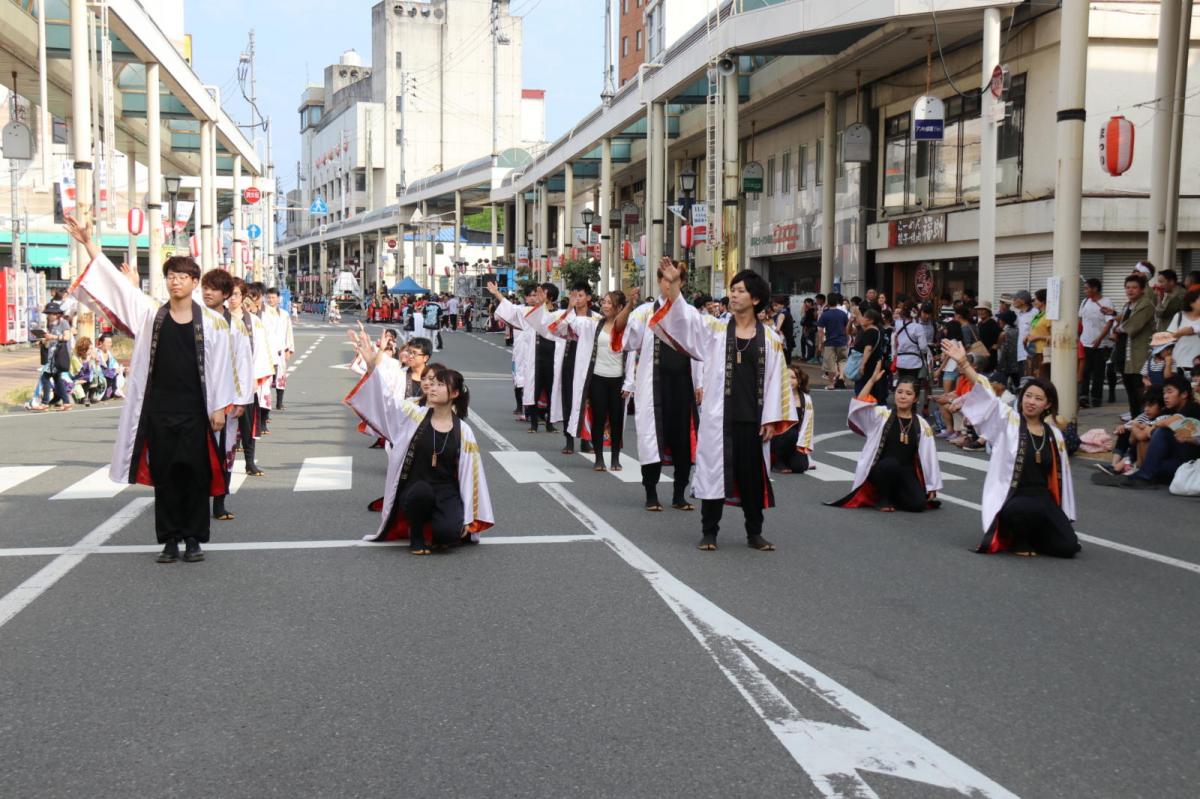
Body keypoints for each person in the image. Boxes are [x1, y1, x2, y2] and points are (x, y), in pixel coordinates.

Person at [64, 214, 236, 564]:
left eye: (183, 277)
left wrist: (220, 407)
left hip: (195, 410)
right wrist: (88, 243)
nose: (176, 282)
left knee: (195, 473)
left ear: (193, 282)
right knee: (167, 474)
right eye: (171, 276)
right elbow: (118, 287)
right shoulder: (151, 314)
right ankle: (170, 539)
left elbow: (221, 369)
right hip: (159, 409)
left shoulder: (214, 323)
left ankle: (194, 539)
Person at [641, 259, 796, 551]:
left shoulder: (772, 340)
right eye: (733, 290)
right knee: (713, 474)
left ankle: (754, 533)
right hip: (718, 418)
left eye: (740, 290)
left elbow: (778, 383)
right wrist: (674, 285)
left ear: (756, 298)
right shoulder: (715, 329)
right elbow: (684, 318)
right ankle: (709, 531)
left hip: (753, 421)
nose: (734, 295)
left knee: (752, 479)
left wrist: (771, 420)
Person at [345, 330, 493, 554]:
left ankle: (439, 522)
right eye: (430, 383)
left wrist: (469, 519)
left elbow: (470, 477)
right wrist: (372, 366)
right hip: (415, 486)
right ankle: (416, 533)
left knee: (448, 536)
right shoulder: (411, 413)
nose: (431, 387)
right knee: (421, 492)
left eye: (438, 384)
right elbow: (385, 402)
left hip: (445, 489)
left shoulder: (463, 431)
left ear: (453, 393)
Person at [941, 338, 1080, 558]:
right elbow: (988, 396)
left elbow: (1061, 479)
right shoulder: (1009, 421)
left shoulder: (1054, 435)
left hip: (1043, 498)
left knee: (1068, 547)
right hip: (1014, 496)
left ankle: (1036, 534)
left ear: (1048, 404)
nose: (1031, 402)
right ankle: (1018, 537)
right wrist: (964, 364)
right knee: (1022, 510)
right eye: (1028, 396)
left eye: (1038, 398)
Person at [611, 279, 703, 513]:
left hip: (683, 387)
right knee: (651, 442)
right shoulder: (644, 312)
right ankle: (651, 493)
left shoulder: (691, 313)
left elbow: (700, 349)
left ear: (681, 282)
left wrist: (700, 383)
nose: (669, 285)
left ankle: (679, 495)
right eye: (665, 280)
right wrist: (629, 306)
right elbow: (625, 338)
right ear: (660, 283)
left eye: (674, 280)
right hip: (653, 387)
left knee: (684, 443)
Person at [828, 364, 942, 513]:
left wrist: (932, 486)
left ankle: (895, 494)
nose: (902, 396)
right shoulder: (881, 415)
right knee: (890, 464)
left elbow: (929, 457)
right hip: (881, 469)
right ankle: (883, 497)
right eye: (899, 392)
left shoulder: (921, 424)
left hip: (905, 472)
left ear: (915, 399)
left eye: (908, 393)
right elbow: (859, 405)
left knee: (917, 505)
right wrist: (871, 381)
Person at [548, 288, 629, 471]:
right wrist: (570, 306)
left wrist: (629, 382)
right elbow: (570, 323)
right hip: (598, 378)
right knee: (598, 418)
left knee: (616, 420)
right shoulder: (593, 324)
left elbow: (631, 356)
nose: (606, 306)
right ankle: (599, 458)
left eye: (610, 303)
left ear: (620, 307)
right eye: (605, 302)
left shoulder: (627, 328)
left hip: (618, 380)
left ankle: (615, 458)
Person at [1094, 374, 1200, 489]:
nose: (1165, 396)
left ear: (1184, 394)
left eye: (1170, 392)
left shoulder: (1193, 408)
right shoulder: (1167, 412)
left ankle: (1144, 476)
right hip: (1171, 462)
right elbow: (1138, 437)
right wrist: (1143, 429)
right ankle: (1138, 473)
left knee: (1162, 432)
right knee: (1152, 449)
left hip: (1188, 464)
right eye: (1164, 393)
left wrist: (1153, 426)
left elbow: (1170, 422)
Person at [491, 283, 564, 433]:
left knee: (552, 390)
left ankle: (550, 423)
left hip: (553, 358)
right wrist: (497, 294)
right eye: (535, 293)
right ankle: (534, 423)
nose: (536, 296)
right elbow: (510, 309)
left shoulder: (559, 314)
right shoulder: (529, 312)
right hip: (535, 357)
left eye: (540, 293)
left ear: (549, 297)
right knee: (533, 389)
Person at [546, 281, 602, 455]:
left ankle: (586, 439)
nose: (577, 299)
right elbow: (555, 330)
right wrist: (569, 310)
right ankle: (569, 439)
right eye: (574, 295)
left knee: (588, 400)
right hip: (570, 359)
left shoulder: (597, 318)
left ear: (588, 298)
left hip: (589, 363)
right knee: (568, 398)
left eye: (580, 295)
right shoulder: (567, 315)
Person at [1118, 273, 1155, 419]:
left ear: (1142, 289)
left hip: (1139, 355)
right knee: (1130, 391)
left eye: (1134, 287)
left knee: (1139, 390)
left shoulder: (1145, 304)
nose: (1130, 290)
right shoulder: (1128, 305)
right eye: (1127, 287)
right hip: (1125, 353)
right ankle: (1134, 420)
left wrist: (1118, 328)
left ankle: (1142, 419)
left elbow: (1132, 327)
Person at [771, 360, 815, 474]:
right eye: (786, 377)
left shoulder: (806, 398)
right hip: (777, 436)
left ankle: (788, 459)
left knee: (800, 467)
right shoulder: (777, 396)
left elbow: (808, 424)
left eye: (793, 377)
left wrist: (803, 446)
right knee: (791, 433)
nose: (789, 380)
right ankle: (777, 461)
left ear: (799, 380)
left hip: (796, 439)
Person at [1078, 279, 1116, 408]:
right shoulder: (1084, 302)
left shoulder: (1106, 302)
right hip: (1085, 342)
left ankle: (1096, 398)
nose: (1085, 291)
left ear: (1095, 289)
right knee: (1085, 370)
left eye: (1087, 288)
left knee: (1098, 372)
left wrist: (1099, 338)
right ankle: (1083, 396)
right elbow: (1080, 320)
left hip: (1101, 344)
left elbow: (1109, 322)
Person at [261, 287, 295, 412]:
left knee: (281, 377)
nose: (270, 300)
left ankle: (279, 403)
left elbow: (288, 332)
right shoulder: (262, 313)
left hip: (281, 349)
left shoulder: (284, 314)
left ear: (278, 299)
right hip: (267, 350)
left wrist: (288, 348)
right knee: (267, 379)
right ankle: (265, 410)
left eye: (273, 297)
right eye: (268, 297)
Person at [849, 308, 887, 403]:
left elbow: (868, 349)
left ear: (871, 321)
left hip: (868, 366)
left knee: (863, 387)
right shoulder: (873, 330)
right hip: (871, 365)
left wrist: (862, 365)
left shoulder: (871, 332)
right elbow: (860, 326)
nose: (862, 319)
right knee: (868, 387)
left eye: (865, 317)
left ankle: (863, 405)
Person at [816, 291, 850, 389]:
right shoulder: (843, 313)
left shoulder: (825, 314)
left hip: (829, 342)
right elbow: (847, 327)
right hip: (842, 340)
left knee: (830, 363)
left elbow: (820, 331)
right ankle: (842, 378)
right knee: (842, 360)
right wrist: (847, 338)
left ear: (828, 301)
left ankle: (831, 383)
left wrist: (820, 343)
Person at [1166, 287, 1200, 378]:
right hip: (1178, 363)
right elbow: (1168, 339)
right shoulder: (1179, 316)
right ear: (1191, 302)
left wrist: (1191, 330)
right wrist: (1179, 333)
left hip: (1197, 365)